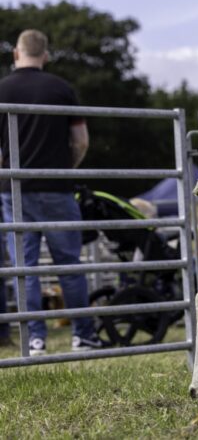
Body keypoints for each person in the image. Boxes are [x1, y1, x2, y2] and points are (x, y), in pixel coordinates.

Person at [0, 29, 102, 355]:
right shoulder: (61, 88)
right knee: (69, 266)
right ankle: (83, 337)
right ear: (45, 55)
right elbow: (81, 140)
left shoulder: (2, 89)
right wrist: (66, 168)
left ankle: (35, 340)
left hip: (15, 191)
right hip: (57, 188)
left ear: (16, 54)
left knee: (25, 270)